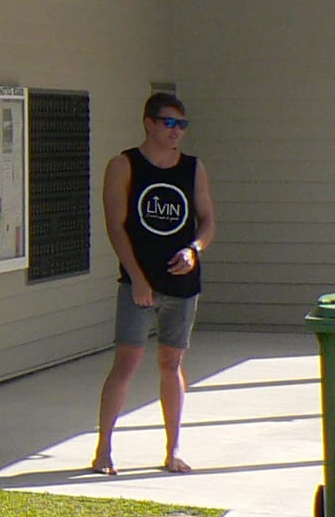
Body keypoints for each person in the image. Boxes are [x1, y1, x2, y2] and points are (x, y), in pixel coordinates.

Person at [91, 92, 215, 476]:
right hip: (139, 283)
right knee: (126, 364)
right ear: (149, 122)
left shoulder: (192, 168)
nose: (176, 131)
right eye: (169, 123)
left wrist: (194, 249)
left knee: (172, 363)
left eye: (182, 125)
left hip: (182, 285)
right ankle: (103, 450)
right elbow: (116, 226)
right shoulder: (124, 165)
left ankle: (173, 449)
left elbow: (207, 221)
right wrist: (137, 278)